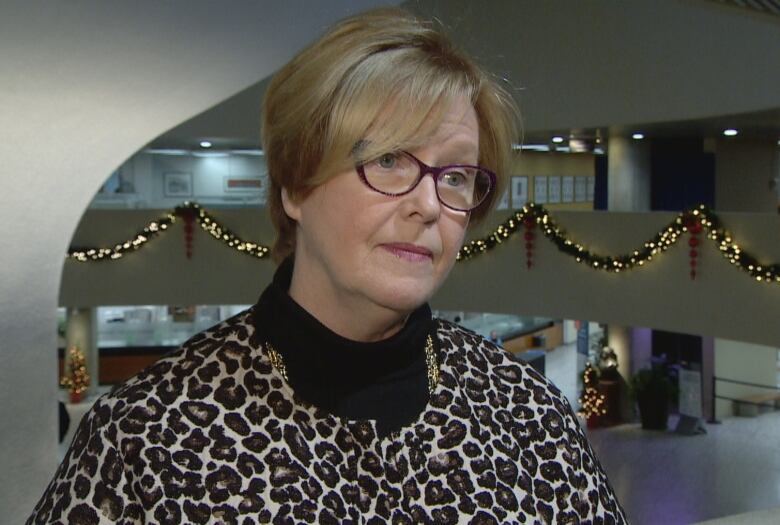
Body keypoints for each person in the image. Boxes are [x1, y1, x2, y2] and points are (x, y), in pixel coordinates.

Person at [29, 8, 626, 524]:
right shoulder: (145, 435)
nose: (427, 204)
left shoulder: (527, 414)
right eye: (389, 159)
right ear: (295, 183)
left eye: (456, 175)